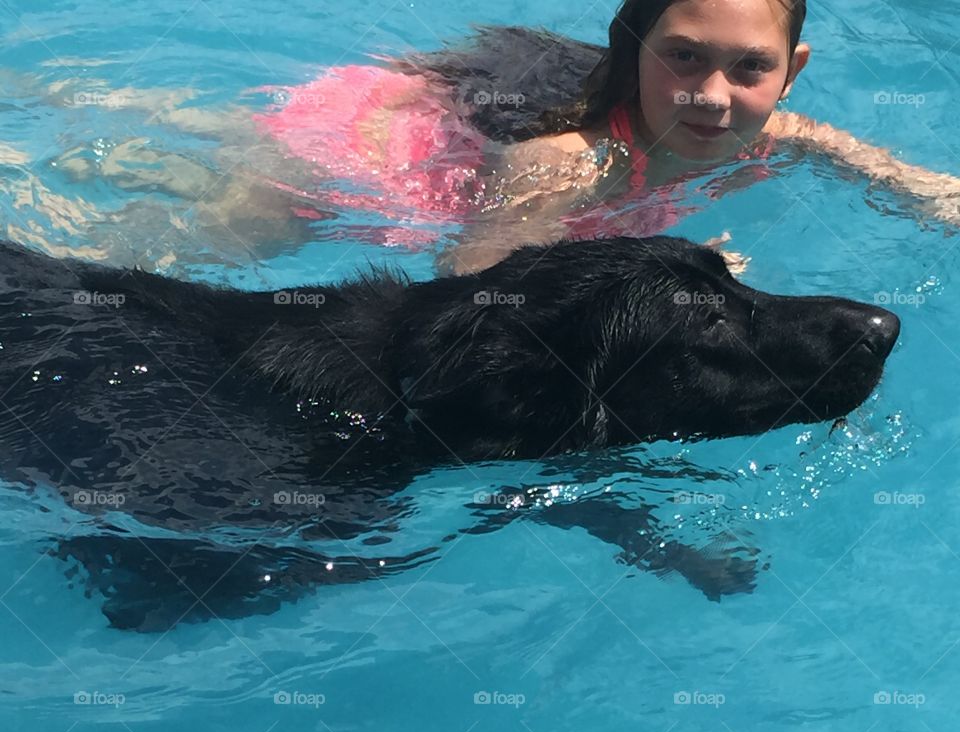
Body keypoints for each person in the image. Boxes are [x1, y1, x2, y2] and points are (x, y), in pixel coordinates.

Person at [36, 0, 960, 272]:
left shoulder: (777, 128)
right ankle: (51, 220)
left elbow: (890, 172)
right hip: (370, 149)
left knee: (215, 142)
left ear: (790, 70)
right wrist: (650, 271)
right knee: (235, 239)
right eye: (683, 58)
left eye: (749, 69)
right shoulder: (569, 164)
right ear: (633, 51)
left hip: (454, 110)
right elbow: (473, 278)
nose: (715, 96)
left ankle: (125, 107)